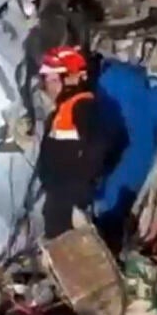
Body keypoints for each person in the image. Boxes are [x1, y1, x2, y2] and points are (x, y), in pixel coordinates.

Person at [37, 46, 103, 239]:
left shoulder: (82, 107)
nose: (48, 87)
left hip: (69, 200)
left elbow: (99, 147)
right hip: (58, 197)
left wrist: (79, 189)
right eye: (47, 81)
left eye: (53, 80)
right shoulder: (61, 112)